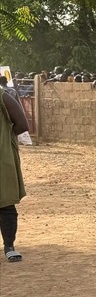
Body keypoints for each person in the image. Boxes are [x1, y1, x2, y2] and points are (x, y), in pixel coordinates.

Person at [0, 85, 29, 262]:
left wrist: (5, 139)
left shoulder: (3, 97)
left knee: (5, 203)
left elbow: (22, 124)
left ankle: (9, 246)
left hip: (2, 158)